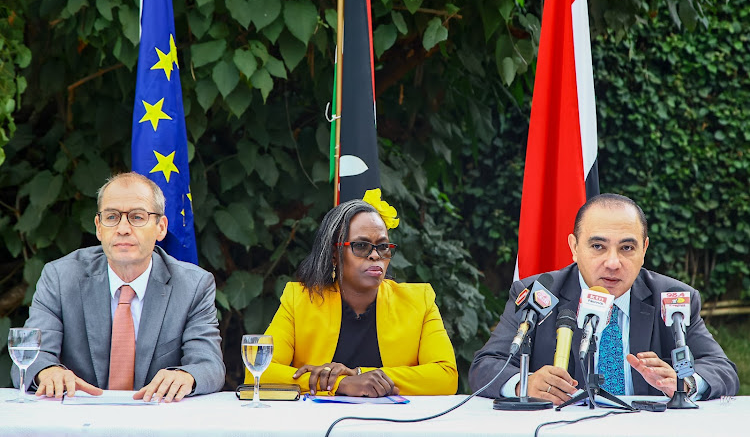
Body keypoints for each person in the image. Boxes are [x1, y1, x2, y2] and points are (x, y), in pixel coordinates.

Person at [469, 193, 739, 403]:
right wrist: (522, 383)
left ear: (644, 249)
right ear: (574, 247)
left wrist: (685, 382)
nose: (613, 262)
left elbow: (721, 368)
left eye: (627, 247)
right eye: (598, 246)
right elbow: (486, 365)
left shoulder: (672, 298)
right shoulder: (540, 294)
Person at [11, 172, 225, 402]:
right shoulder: (61, 277)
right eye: (112, 217)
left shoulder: (193, 285)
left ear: (161, 227)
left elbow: (208, 364)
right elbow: (30, 358)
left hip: (157, 421)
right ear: (99, 227)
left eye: (137, 217)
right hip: (77, 421)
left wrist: (186, 375)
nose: (123, 228)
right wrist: (47, 372)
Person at [246, 189, 458, 396]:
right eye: (361, 245)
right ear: (333, 255)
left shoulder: (419, 301)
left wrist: (362, 375)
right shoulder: (300, 299)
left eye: (383, 246)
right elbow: (256, 372)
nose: (375, 255)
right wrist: (342, 383)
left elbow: (446, 376)